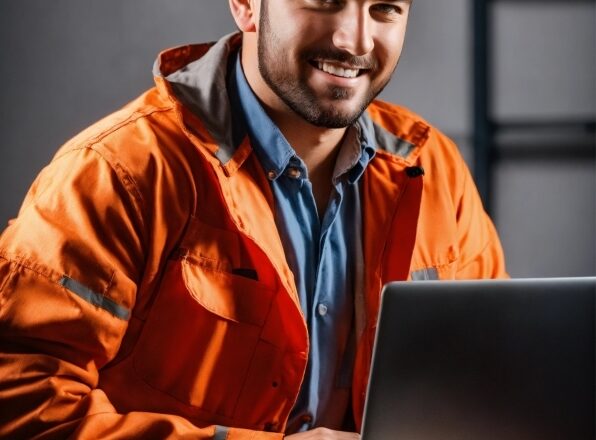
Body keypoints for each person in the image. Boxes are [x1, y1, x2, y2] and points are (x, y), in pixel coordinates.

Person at [0, 0, 507, 438]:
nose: (355, 40)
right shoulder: (117, 172)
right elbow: (21, 406)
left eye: (385, 8)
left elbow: (493, 376)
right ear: (246, 5)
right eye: (325, 1)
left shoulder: (433, 168)